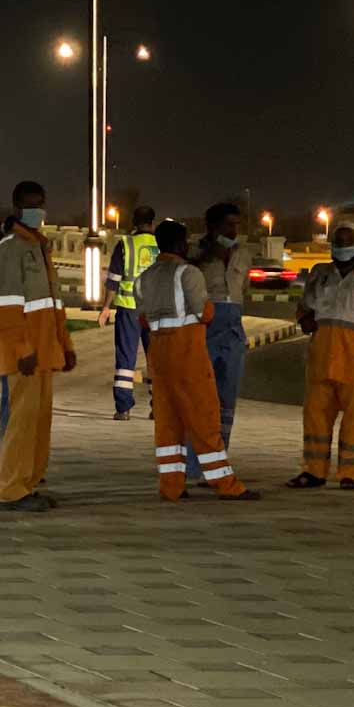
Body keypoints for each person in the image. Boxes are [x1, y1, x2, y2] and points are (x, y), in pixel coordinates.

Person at [135, 221, 260, 502]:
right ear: (181, 244)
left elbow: (142, 318)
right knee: (204, 416)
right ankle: (225, 484)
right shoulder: (188, 273)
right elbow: (205, 313)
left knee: (168, 422)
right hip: (187, 352)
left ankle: (171, 486)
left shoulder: (144, 278)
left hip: (158, 353)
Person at [289, 222, 354, 491]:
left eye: (347, 243)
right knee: (315, 417)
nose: (341, 249)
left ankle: (350, 473)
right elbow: (304, 307)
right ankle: (313, 472)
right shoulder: (320, 273)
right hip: (321, 357)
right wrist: (305, 320)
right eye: (337, 243)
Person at [0, 181, 75, 511]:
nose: (37, 209)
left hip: (44, 350)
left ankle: (29, 482)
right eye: (30, 204)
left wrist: (64, 345)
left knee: (38, 422)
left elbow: (52, 304)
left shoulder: (38, 247)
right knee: (21, 423)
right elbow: (8, 305)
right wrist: (22, 349)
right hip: (24, 354)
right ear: (16, 206)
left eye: (40, 203)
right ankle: (11, 489)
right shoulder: (11, 249)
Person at [186, 202, 252, 484]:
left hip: (233, 331)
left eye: (237, 224)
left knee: (226, 403)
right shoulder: (193, 253)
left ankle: (218, 462)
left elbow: (242, 291)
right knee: (200, 400)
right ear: (212, 226)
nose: (234, 230)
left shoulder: (243, 254)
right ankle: (192, 465)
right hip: (204, 329)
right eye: (228, 225)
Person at [97, 205, 158, 421]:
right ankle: (157, 408)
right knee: (157, 359)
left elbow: (113, 280)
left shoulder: (126, 244)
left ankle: (124, 408)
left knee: (125, 358)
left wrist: (106, 308)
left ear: (134, 222)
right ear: (152, 223)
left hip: (128, 309)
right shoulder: (161, 245)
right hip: (156, 311)